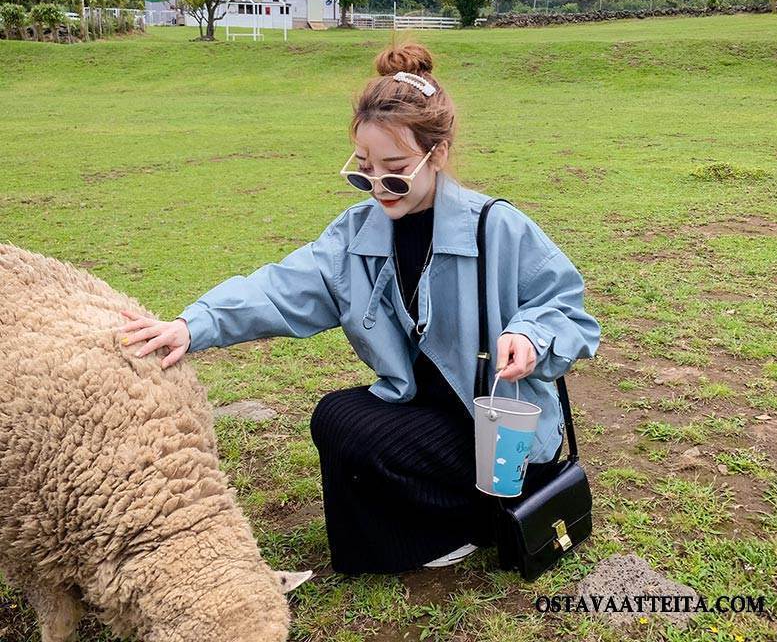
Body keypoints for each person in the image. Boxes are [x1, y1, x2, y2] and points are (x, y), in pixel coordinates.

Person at [119, 40, 601, 575]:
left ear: (435, 154)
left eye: (394, 170)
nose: (377, 187)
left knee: (369, 437)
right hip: (423, 403)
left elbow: (568, 308)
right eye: (363, 170)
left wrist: (532, 336)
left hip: (499, 426)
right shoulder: (356, 234)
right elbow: (281, 287)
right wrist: (195, 324)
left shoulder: (497, 227)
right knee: (337, 417)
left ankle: (482, 521)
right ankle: (404, 540)